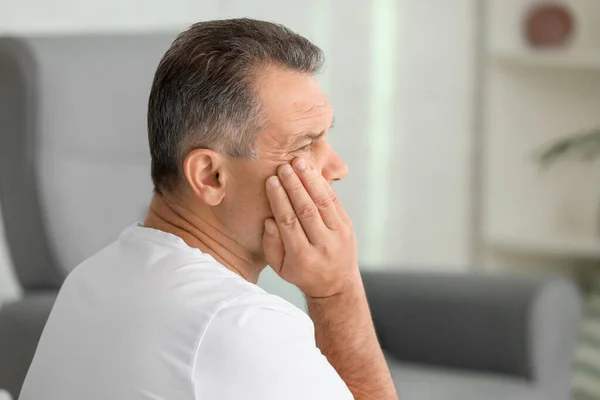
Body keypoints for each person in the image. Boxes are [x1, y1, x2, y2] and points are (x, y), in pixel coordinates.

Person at [19, 18, 397, 400]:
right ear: (211, 176)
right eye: (303, 147)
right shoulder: (240, 326)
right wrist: (336, 291)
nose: (336, 168)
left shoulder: (90, 279)